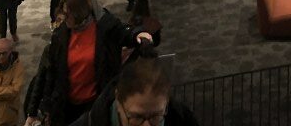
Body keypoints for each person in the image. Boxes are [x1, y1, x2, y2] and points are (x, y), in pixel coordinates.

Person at [40, 0, 153, 126]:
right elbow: (52, 71)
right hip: (66, 105)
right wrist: (47, 105)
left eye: (68, 14)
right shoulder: (61, 34)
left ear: (79, 14)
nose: (64, 18)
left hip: (96, 104)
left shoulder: (105, 27)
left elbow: (124, 32)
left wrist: (137, 34)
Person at [70, 52, 199, 126]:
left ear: (166, 104)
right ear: (118, 102)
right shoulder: (89, 123)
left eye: (155, 116)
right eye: (137, 117)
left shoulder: (182, 120)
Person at [0, 37, 23, 126]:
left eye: (4, 53)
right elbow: (10, 91)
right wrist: (5, 93)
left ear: (10, 51)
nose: (1, 56)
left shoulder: (17, 67)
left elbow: (15, 90)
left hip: (8, 114)